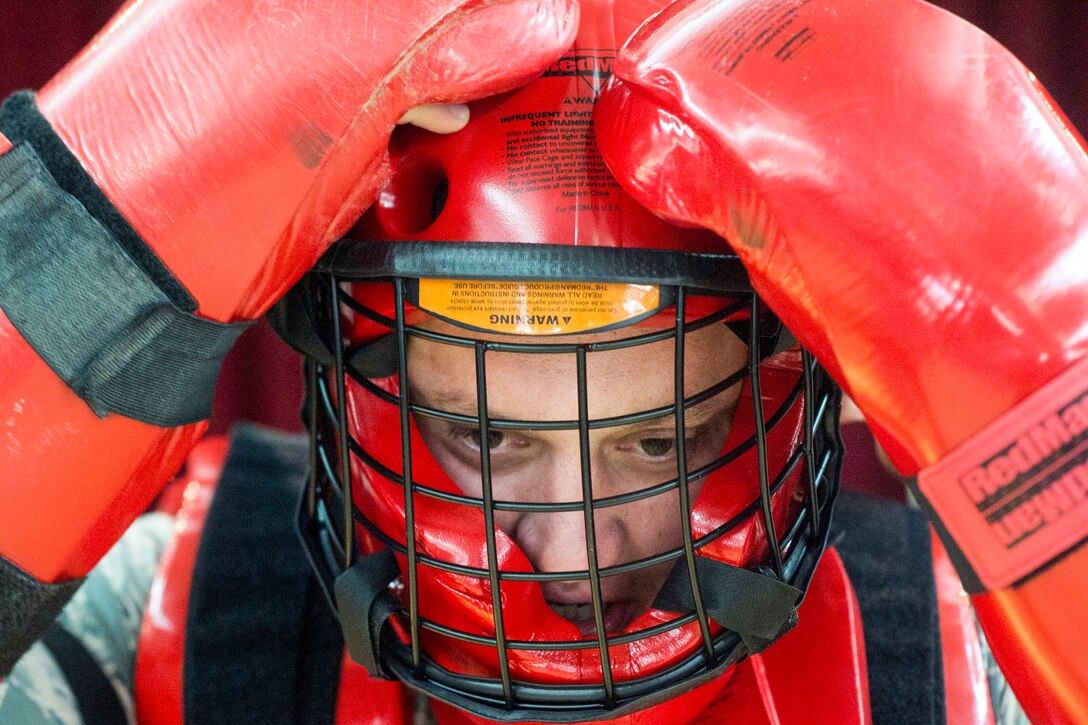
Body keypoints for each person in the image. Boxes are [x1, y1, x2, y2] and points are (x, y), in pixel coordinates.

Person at [0, 0, 1083, 723]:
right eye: (482, 434)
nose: (576, 558)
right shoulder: (164, 622)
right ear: (361, 393)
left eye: (663, 436)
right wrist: (71, 246)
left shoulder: (974, 664)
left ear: (802, 400)